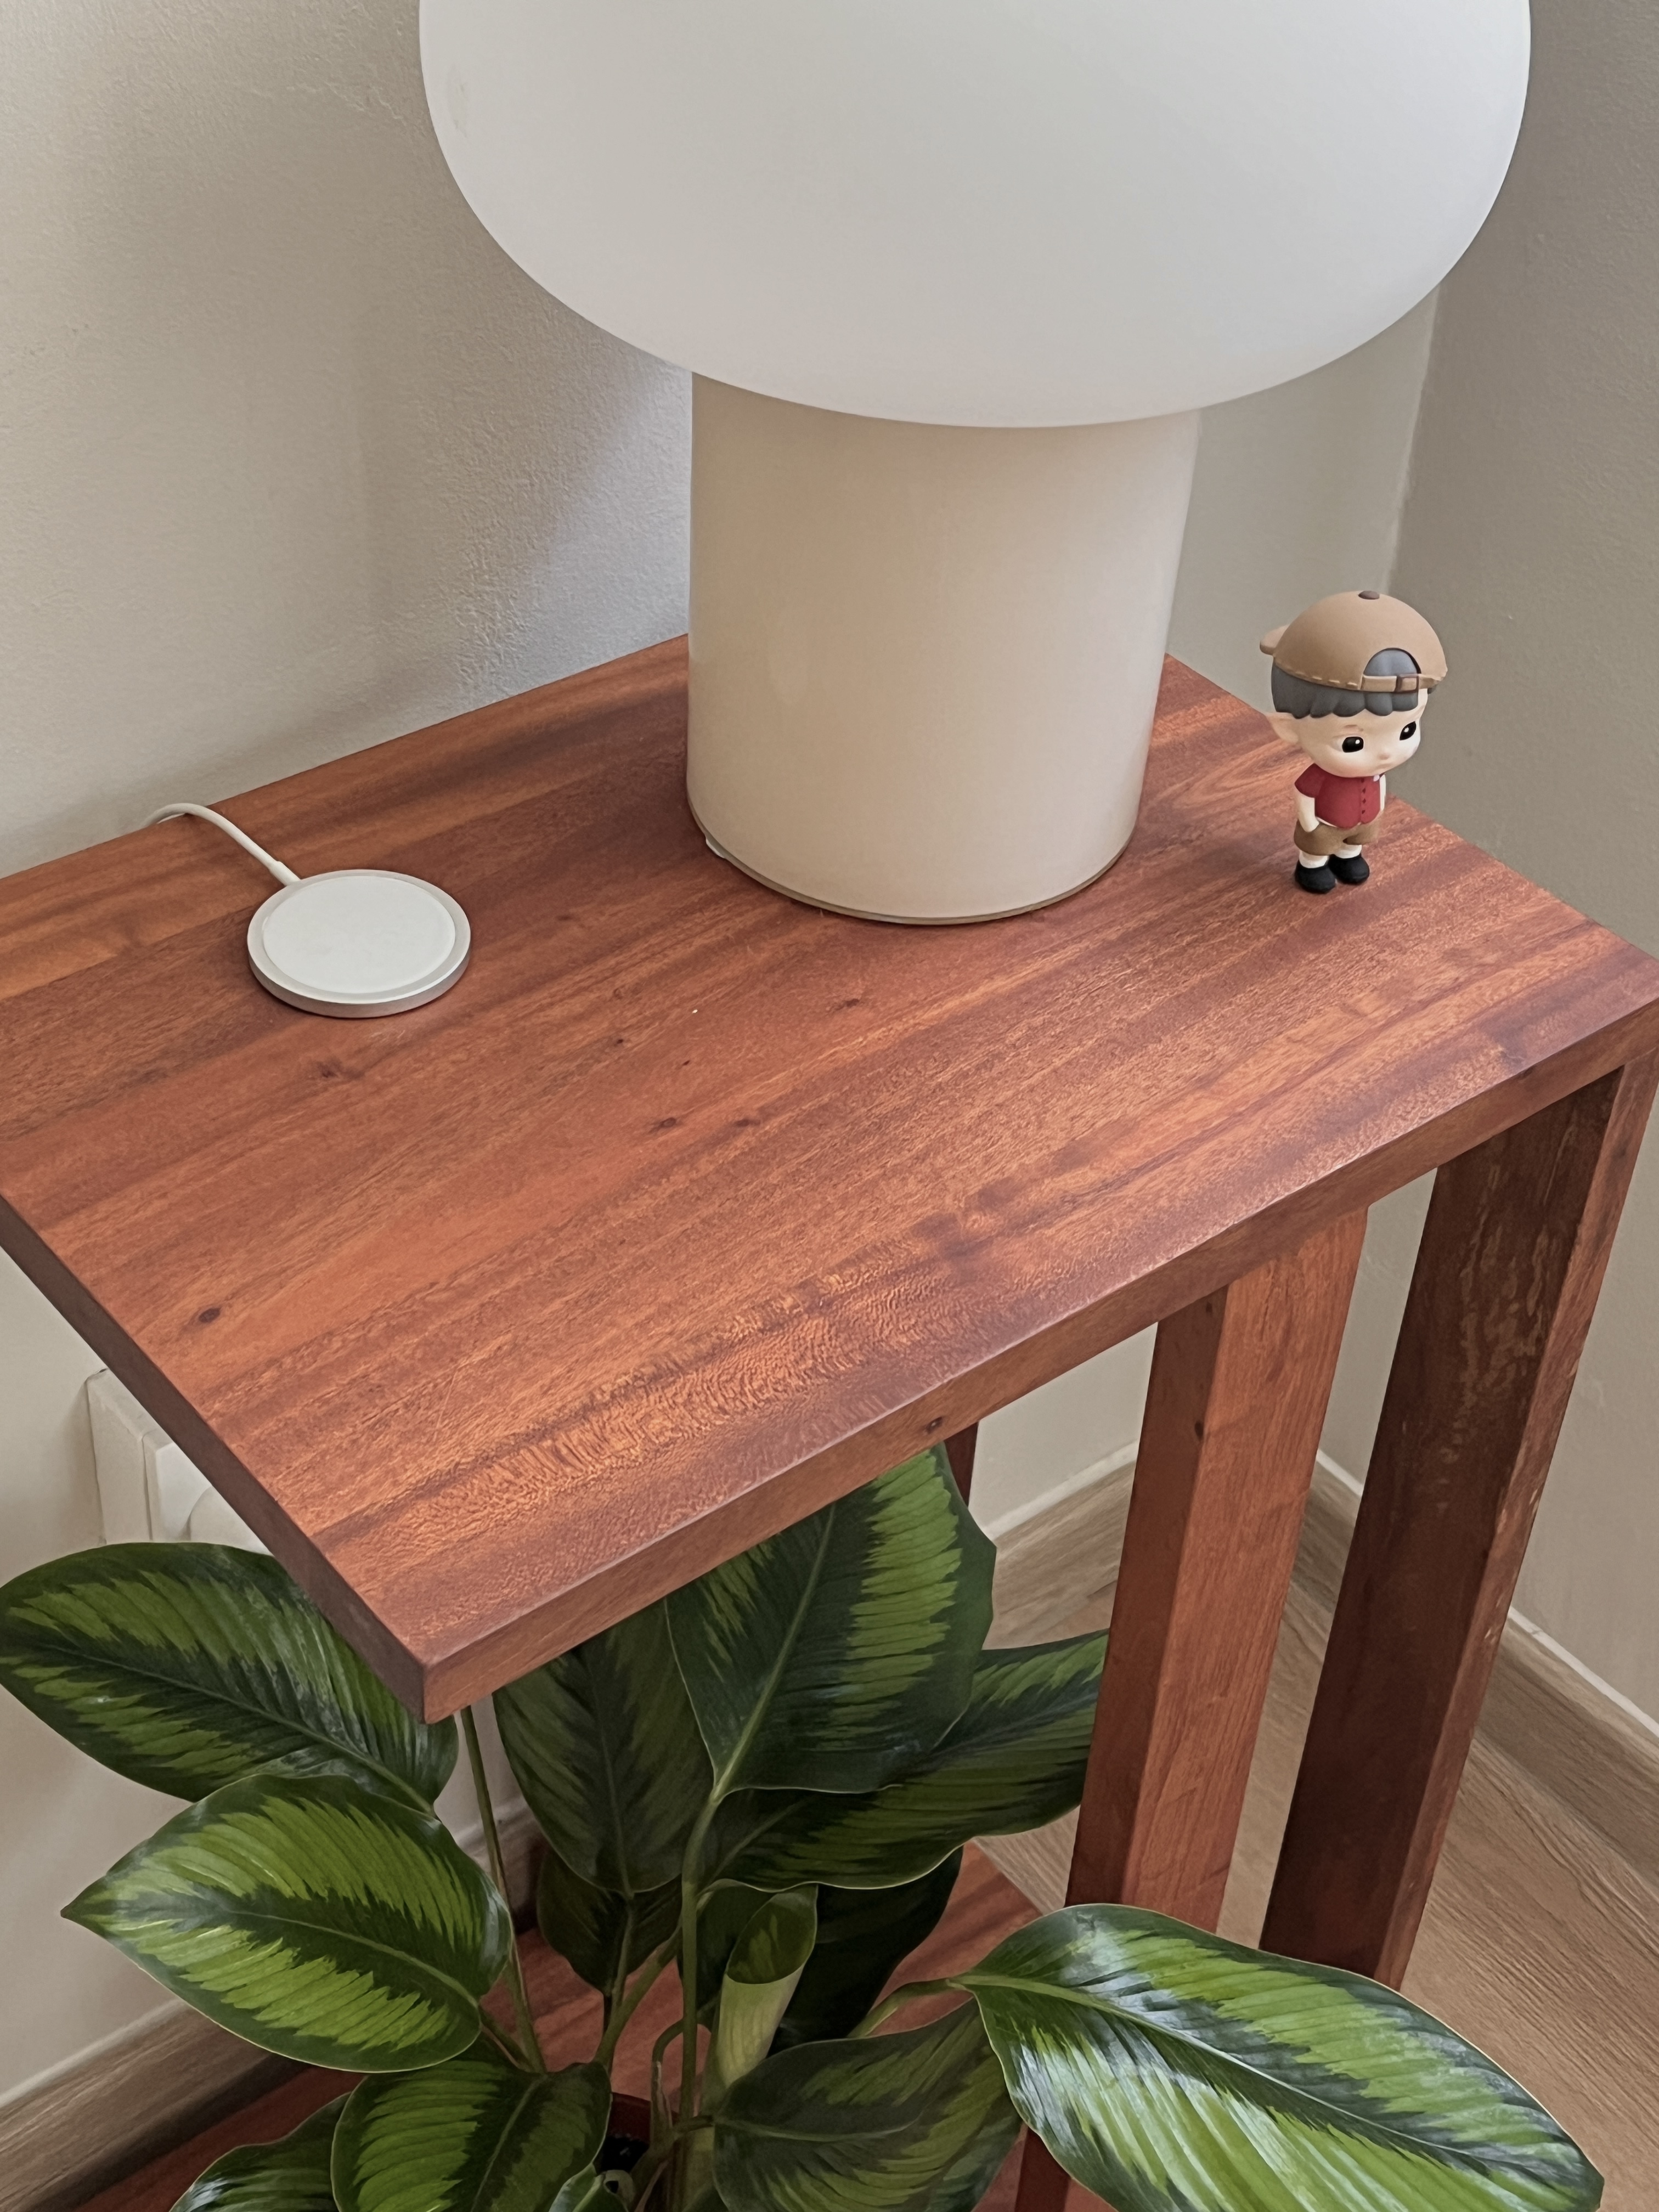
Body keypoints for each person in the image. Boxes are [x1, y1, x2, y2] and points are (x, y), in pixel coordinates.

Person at [1260, 590, 1447, 893]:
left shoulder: (1376, 771)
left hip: (1363, 820)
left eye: (1407, 730)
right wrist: (1309, 824)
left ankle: (1348, 858)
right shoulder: (1320, 777)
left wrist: (1380, 807)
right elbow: (1304, 795)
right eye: (1352, 743)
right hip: (1325, 823)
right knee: (1318, 847)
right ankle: (1312, 865)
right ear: (1288, 728)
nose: (1386, 753)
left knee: (1355, 843)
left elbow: (1381, 783)